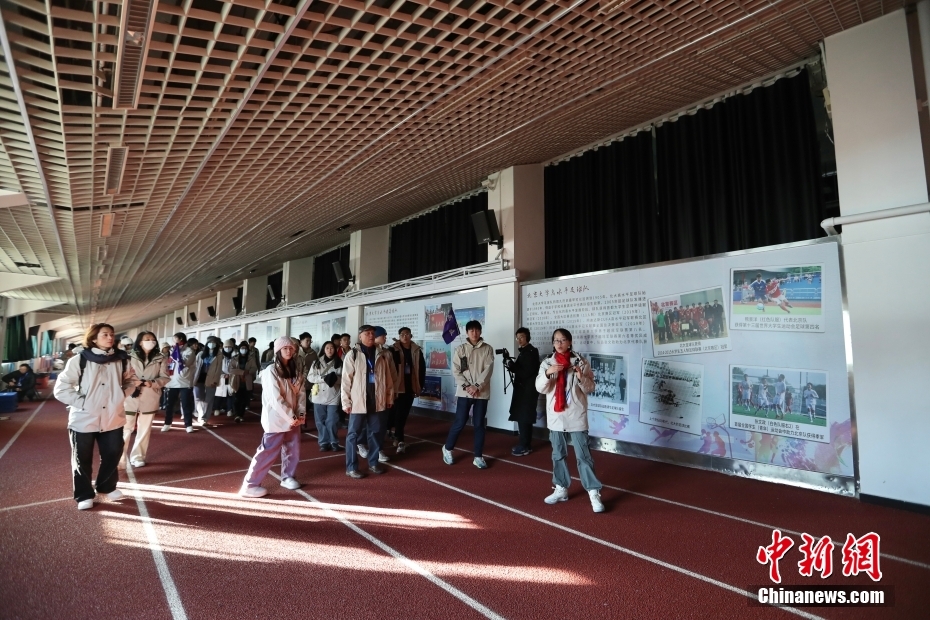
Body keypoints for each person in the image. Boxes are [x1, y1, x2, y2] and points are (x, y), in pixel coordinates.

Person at [53, 323, 132, 510]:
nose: (110, 337)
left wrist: (121, 395)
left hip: (113, 417)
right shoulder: (79, 360)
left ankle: (107, 486)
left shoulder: (122, 360)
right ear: (94, 338)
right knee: (82, 458)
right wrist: (83, 403)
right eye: (105, 334)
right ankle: (83, 494)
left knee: (113, 453)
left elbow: (132, 381)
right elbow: (61, 389)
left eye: (112, 334)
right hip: (84, 418)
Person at [535, 328, 604, 513]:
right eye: (556, 340)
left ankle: (593, 492)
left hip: (576, 415)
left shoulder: (580, 361)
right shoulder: (547, 363)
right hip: (556, 417)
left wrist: (581, 377)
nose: (559, 343)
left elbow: (590, 387)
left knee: (584, 456)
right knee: (558, 454)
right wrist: (548, 373)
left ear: (570, 342)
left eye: (563, 340)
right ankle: (561, 488)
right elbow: (540, 388)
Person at [239, 337, 306, 498]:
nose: (289, 351)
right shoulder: (270, 371)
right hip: (277, 418)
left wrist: (300, 414)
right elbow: (275, 399)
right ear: (277, 351)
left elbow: (302, 394)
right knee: (267, 451)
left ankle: (288, 476)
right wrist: (291, 417)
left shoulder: (295, 370)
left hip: (294, 418)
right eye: (285, 348)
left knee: (293, 449)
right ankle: (250, 484)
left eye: (291, 348)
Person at [341, 325, 394, 478]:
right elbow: (346, 381)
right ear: (360, 336)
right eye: (367, 333)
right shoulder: (353, 354)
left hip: (377, 401)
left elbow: (388, 379)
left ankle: (373, 462)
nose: (371, 336)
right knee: (353, 435)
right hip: (358, 401)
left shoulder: (383, 354)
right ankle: (351, 467)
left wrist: (389, 397)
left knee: (376, 433)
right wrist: (346, 402)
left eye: (372, 333)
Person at [443, 320, 494, 469]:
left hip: (481, 393)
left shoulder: (487, 349)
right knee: (459, 422)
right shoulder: (460, 349)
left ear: (480, 331)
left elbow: (488, 370)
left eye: (477, 330)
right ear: (467, 332)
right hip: (465, 393)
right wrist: (468, 387)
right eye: (471, 330)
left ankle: (478, 456)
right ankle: (447, 448)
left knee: (479, 424)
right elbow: (456, 371)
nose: (474, 333)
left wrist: (477, 386)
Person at [120, 331, 170, 468]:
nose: (151, 341)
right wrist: (132, 382)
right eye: (147, 339)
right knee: (125, 428)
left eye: (153, 339)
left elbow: (165, 377)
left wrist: (152, 382)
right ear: (140, 342)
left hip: (150, 396)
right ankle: (120, 458)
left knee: (144, 429)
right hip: (130, 396)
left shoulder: (161, 358)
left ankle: (138, 457)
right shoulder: (128, 357)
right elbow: (121, 375)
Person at [389, 326, 426, 455]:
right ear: (399, 336)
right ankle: (400, 439)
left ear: (411, 335)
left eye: (407, 334)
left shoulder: (416, 350)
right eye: (402, 334)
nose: (405, 336)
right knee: (397, 414)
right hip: (398, 387)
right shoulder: (393, 350)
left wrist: (419, 386)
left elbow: (421, 369)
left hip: (410, 386)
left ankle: (397, 436)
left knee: (403, 414)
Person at [507, 327, 540, 457]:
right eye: (517, 337)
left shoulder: (531, 351)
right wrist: (511, 364)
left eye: (522, 337)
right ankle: (526, 444)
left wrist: (512, 367)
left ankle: (523, 445)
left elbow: (526, 372)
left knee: (524, 417)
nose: (519, 340)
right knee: (524, 417)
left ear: (527, 337)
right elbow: (521, 369)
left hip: (528, 391)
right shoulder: (525, 352)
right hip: (523, 390)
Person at [307, 341, 343, 451]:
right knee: (320, 421)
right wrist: (323, 379)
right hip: (318, 396)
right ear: (324, 349)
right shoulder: (316, 362)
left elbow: (345, 379)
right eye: (327, 348)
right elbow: (310, 377)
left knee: (332, 420)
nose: (330, 350)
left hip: (334, 395)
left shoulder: (340, 362)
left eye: (332, 348)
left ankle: (334, 441)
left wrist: (335, 379)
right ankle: (323, 442)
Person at [163, 332, 197, 433]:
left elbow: (185, 363)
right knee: (170, 404)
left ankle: (188, 425)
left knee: (186, 404)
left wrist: (176, 353)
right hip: (173, 381)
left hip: (185, 381)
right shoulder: (172, 350)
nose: (173, 341)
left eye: (175, 339)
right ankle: (167, 423)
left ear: (181, 339)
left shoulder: (189, 351)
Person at [206, 338, 236, 417]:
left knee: (230, 394)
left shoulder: (235, 356)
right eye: (226, 347)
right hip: (220, 378)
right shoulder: (219, 356)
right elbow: (216, 367)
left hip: (231, 378)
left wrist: (230, 374)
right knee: (219, 395)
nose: (228, 348)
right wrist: (222, 374)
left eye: (230, 347)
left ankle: (229, 409)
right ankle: (217, 408)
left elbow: (236, 368)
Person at [229, 340, 258, 423]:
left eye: (245, 348)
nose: (243, 349)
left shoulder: (251, 359)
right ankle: (236, 414)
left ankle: (241, 415)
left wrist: (248, 372)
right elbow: (231, 370)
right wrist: (242, 372)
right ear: (239, 349)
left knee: (244, 399)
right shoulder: (234, 359)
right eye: (242, 348)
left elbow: (254, 368)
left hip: (247, 381)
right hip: (236, 381)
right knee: (236, 399)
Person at [194, 337, 221, 424]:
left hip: (211, 379)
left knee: (209, 399)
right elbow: (195, 367)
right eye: (210, 342)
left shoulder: (218, 355)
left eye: (214, 343)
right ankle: (200, 413)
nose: (212, 344)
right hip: (199, 378)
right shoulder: (201, 354)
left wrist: (215, 381)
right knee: (199, 398)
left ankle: (205, 418)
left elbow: (219, 369)